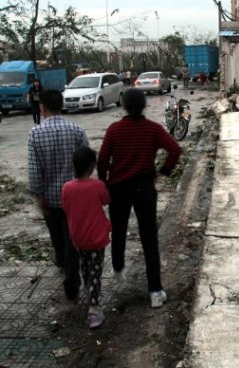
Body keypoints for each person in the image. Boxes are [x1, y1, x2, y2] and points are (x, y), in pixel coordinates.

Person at [97, 89, 181, 308]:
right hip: (144, 187)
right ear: (144, 106)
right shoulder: (153, 129)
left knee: (118, 231)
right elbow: (175, 149)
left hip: (118, 188)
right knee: (149, 237)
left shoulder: (115, 129)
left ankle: (118, 273)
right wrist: (163, 171)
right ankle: (155, 291)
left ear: (123, 105)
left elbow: (103, 159)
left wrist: (104, 181)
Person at [27, 90, 89, 300]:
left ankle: (64, 267)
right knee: (71, 238)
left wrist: (38, 195)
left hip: (50, 199)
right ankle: (71, 280)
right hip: (75, 198)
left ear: (42, 107)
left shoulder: (35, 133)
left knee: (57, 237)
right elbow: (87, 161)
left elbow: (35, 169)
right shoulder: (76, 129)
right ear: (61, 105)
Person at [62, 147, 111, 329]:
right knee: (96, 271)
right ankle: (94, 309)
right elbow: (106, 200)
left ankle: (88, 292)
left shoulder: (67, 188)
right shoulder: (97, 186)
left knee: (85, 267)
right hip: (96, 237)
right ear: (92, 166)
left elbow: (66, 208)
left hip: (79, 238)